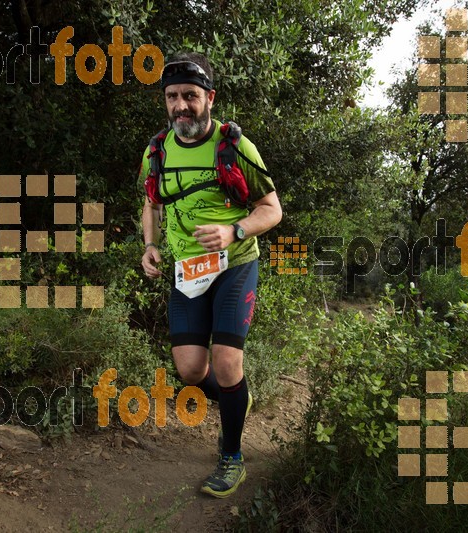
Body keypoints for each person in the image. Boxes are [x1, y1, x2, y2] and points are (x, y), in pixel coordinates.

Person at [139, 52, 282, 498]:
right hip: (188, 271)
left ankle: (231, 456)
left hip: (236, 265)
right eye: (172, 97)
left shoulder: (235, 145)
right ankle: (236, 397)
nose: (181, 106)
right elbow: (152, 203)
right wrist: (150, 244)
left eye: (190, 96)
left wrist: (233, 229)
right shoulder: (157, 150)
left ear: (210, 98)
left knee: (225, 362)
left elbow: (272, 210)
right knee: (189, 370)